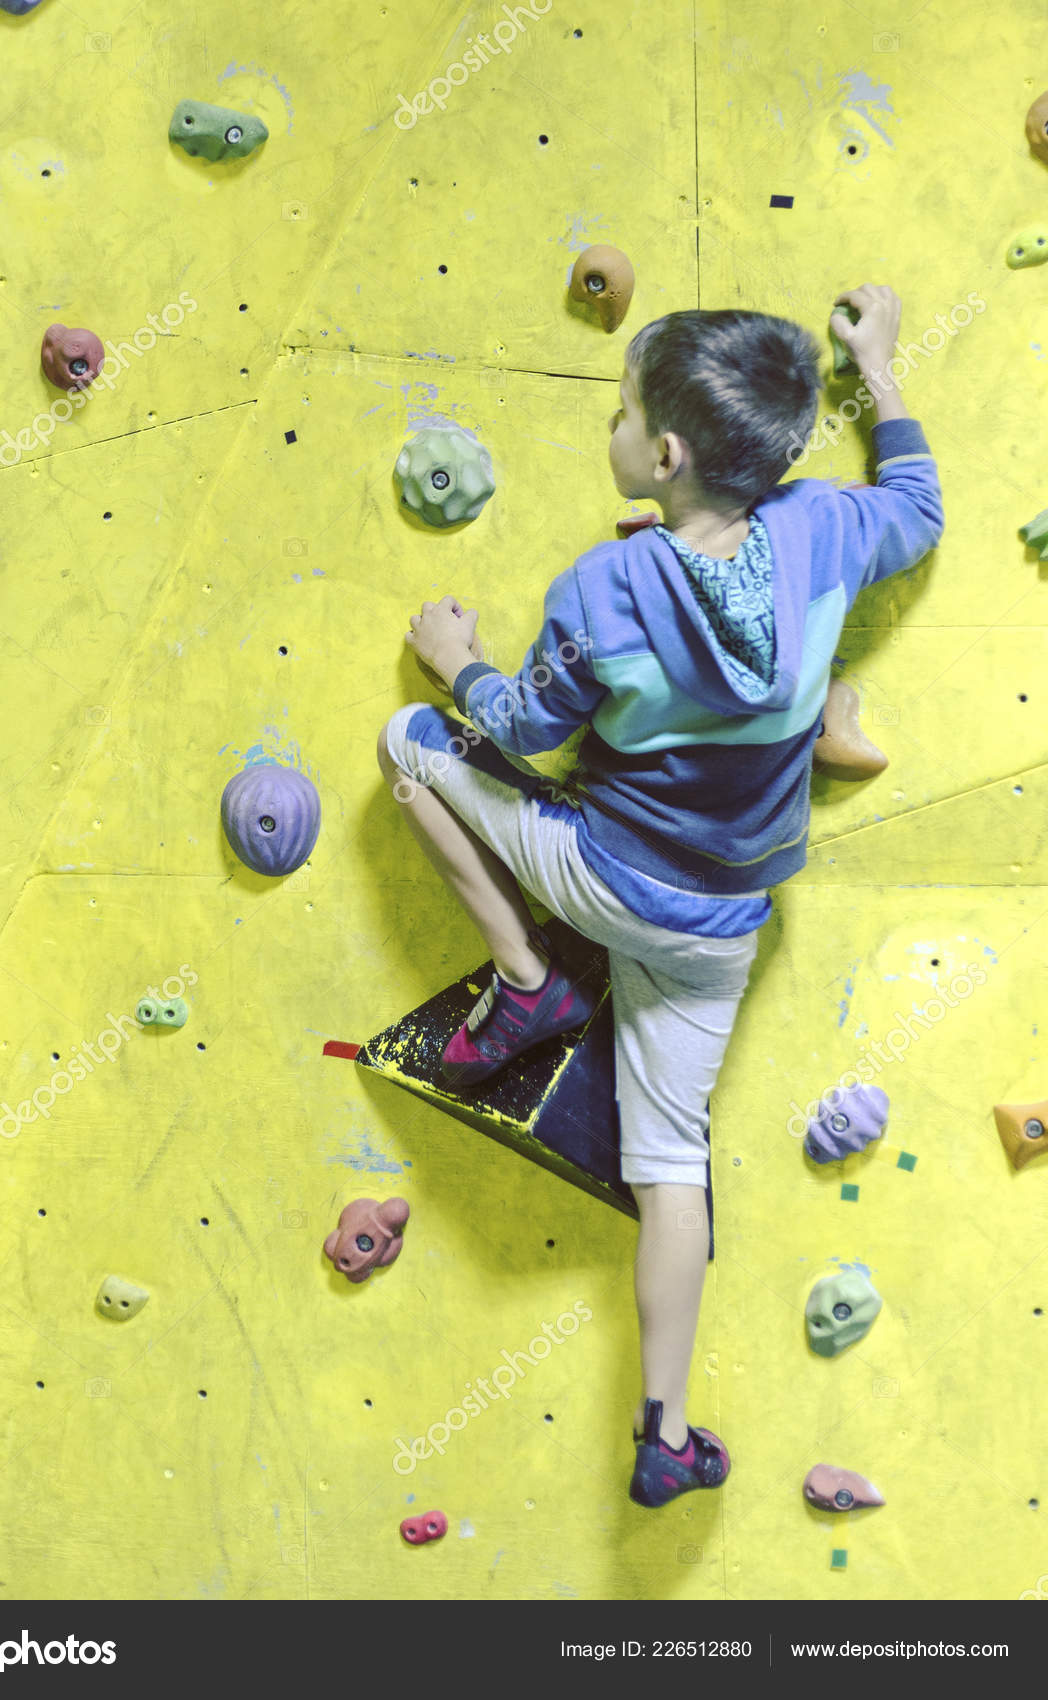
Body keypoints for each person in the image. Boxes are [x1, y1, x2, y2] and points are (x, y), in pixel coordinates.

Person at [376, 286, 943, 1507]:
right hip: (721, 923)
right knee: (667, 1160)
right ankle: (664, 1428)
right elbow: (916, 507)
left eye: (625, 411)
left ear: (664, 456)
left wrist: (451, 651)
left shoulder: (604, 588)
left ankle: (523, 983)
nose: (617, 424)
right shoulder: (823, 533)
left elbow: (524, 726)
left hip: (601, 872)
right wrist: (878, 372)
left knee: (411, 742)